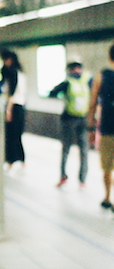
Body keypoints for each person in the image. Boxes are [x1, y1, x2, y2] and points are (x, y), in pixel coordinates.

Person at [48, 59, 90, 188]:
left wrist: (64, 98)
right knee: (84, 150)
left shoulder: (67, 83)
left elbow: (52, 93)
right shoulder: (87, 82)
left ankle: (63, 177)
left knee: (66, 149)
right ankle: (82, 180)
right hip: (83, 119)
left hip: (69, 119)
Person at [87, 41, 114, 210]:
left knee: (107, 166)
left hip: (107, 128)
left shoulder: (101, 76)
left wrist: (90, 127)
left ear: (109, 57)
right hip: (107, 129)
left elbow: (92, 103)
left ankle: (107, 197)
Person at [0, 49, 27, 169]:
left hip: (14, 106)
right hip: (21, 106)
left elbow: (12, 93)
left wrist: (8, 110)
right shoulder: (21, 73)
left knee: (11, 135)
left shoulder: (13, 73)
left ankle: (11, 160)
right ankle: (21, 160)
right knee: (17, 135)